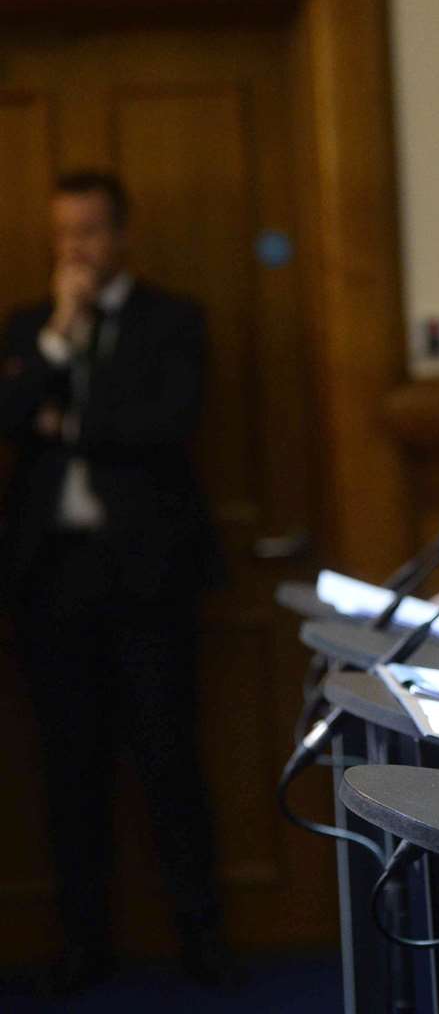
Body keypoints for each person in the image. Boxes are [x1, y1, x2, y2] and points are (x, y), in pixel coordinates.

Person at [0, 171, 232, 994]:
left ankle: (202, 937)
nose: (77, 251)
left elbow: (163, 424)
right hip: (51, 583)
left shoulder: (173, 320)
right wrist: (60, 340)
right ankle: (84, 944)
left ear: (121, 234)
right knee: (70, 774)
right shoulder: (32, 326)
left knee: (170, 763)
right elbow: (8, 418)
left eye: (90, 233)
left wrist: (67, 424)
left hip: (147, 580)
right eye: (63, 235)